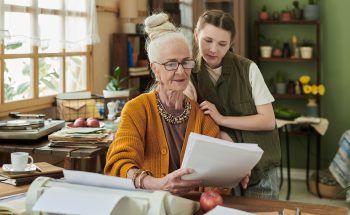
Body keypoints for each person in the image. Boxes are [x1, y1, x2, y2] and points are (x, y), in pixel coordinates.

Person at [104, 12, 249, 195]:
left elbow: (211, 182)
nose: (181, 71)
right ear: (155, 69)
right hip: (149, 205)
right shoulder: (136, 110)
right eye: (171, 64)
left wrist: (229, 174)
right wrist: (157, 183)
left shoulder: (203, 117)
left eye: (186, 62)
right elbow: (119, 164)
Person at [188, 10, 281, 199]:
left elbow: (268, 121)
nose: (213, 49)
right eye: (207, 41)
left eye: (222, 44)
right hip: (221, 170)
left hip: (260, 169)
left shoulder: (248, 69)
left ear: (230, 44)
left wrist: (222, 119)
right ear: (196, 35)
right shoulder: (189, 74)